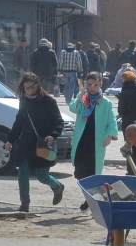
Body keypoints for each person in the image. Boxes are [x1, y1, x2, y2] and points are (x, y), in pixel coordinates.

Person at [6, 73, 65, 212]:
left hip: (43, 144)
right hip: (26, 144)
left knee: (42, 176)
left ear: (38, 84)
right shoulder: (24, 101)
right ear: (23, 88)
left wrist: (53, 134)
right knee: (23, 172)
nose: (31, 90)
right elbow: (19, 122)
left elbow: (58, 122)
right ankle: (24, 203)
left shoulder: (49, 101)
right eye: (27, 88)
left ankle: (57, 186)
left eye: (33, 87)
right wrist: (10, 139)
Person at [68, 72, 118, 211]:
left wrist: (110, 136)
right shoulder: (83, 100)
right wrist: (81, 93)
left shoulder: (106, 102)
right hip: (81, 141)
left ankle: (90, 200)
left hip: (96, 143)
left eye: (95, 84)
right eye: (89, 85)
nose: (92, 88)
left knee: (93, 173)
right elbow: (73, 108)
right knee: (79, 174)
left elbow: (111, 121)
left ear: (100, 84)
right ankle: (91, 197)